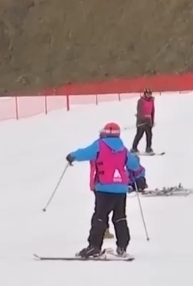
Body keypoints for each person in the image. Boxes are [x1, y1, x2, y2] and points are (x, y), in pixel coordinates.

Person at [66, 122, 143, 258]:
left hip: (104, 187)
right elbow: (134, 165)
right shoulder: (123, 149)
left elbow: (85, 153)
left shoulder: (99, 145)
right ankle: (122, 246)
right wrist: (137, 167)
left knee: (100, 217)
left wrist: (72, 156)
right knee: (120, 217)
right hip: (121, 189)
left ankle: (94, 246)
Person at [131, 88, 155, 153]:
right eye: (147, 93)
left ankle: (148, 148)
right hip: (141, 121)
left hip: (148, 121)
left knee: (149, 135)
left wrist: (152, 120)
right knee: (139, 135)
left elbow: (152, 111)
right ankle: (134, 148)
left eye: (150, 93)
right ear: (145, 94)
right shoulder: (141, 101)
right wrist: (143, 118)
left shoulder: (152, 101)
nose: (149, 95)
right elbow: (139, 111)